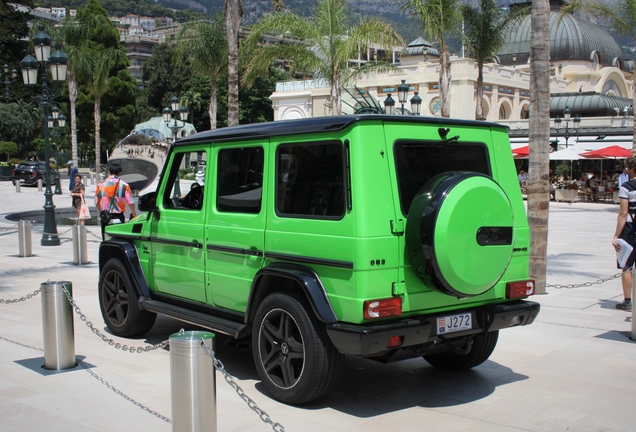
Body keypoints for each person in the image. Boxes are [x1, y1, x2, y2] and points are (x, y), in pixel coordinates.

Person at [612, 157, 636, 312]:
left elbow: (623, 213)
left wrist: (616, 236)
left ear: (631, 169)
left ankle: (628, 301)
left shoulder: (627, 187)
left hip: (631, 229)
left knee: (627, 265)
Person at [95, 162, 137, 240]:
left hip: (105, 216)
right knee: (119, 239)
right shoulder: (124, 185)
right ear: (119, 172)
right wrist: (134, 214)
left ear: (109, 172)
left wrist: (101, 213)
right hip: (118, 216)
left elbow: (96, 202)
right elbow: (130, 202)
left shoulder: (101, 184)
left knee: (106, 239)